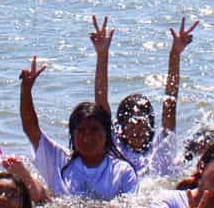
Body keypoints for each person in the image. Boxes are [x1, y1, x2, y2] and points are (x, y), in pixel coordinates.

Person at [18, 56, 139, 199]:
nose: (87, 137)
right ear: (72, 135)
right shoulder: (58, 161)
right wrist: (26, 89)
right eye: (81, 131)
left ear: (107, 133)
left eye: (94, 130)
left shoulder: (122, 171)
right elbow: (30, 127)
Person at [91, 15, 192, 179]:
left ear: (150, 125)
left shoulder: (162, 147)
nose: (137, 131)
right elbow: (101, 102)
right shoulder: (115, 147)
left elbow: (170, 102)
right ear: (121, 127)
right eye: (131, 125)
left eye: (141, 124)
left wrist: (175, 54)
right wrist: (102, 55)